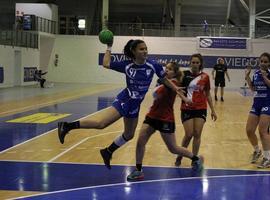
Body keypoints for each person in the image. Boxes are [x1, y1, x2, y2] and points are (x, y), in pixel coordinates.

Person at [57, 39, 188, 169]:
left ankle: (107, 151)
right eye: (141, 49)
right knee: (101, 124)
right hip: (125, 100)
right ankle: (67, 126)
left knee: (129, 135)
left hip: (135, 105)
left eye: (145, 48)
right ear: (134, 52)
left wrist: (175, 88)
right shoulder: (127, 65)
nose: (145, 51)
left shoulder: (153, 65)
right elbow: (106, 63)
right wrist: (109, 46)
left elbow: (164, 79)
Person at [127, 62, 203, 181]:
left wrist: (185, 99)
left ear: (175, 72)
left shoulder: (173, 83)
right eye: (166, 68)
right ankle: (138, 170)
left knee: (173, 148)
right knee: (140, 141)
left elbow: (173, 89)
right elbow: (157, 93)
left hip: (165, 119)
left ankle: (195, 159)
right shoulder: (162, 81)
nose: (167, 70)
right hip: (152, 116)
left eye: (170, 69)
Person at [175, 53, 217, 167]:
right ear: (190, 63)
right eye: (193, 62)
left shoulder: (205, 77)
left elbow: (207, 93)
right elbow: (177, 89)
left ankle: (194, 159)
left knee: (197, 134)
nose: (194, 64)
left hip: (200, 108)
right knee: (189, 134)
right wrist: (183, 97)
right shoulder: (184, 75)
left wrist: (213, 110)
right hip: (186, 108)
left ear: (200, 64)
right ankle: (180, 155)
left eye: (197, 62)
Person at [245, 52, 270, 168]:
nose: (263, 63)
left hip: (267, 103)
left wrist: (265, 76)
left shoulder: (268, 73)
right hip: (257, 103)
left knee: (262, 131)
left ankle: (267, 158)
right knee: (249, 130)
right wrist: (247, 77)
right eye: (262, 61)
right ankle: (257, 150)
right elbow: (253, 88)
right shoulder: (256, 73)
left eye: (266, 61)